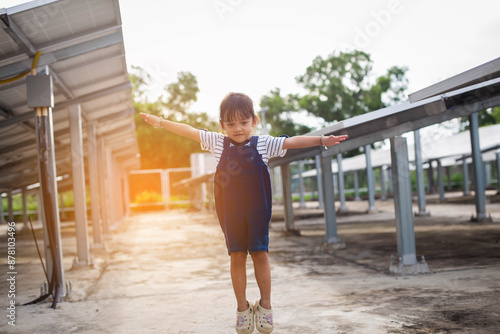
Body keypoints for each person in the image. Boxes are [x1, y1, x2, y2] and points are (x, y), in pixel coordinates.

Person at [140, 92, 347, 334]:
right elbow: (189, 131)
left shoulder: (264, 144)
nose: (237, 129)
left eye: (243, 122)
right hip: (231, 211)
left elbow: (292, 142)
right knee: (236, 254)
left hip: (258, 210)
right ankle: (242, 309)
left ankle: (266, 307)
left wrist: (322, 140)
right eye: (230, 124)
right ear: (222, 125)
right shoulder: (218, 143)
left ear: (254, 121)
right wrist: (162, 122)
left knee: (260, 253)